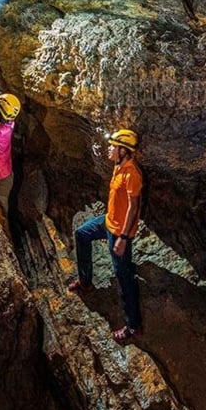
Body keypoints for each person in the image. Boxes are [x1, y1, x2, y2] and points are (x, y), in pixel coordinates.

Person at [66, 128, 144, 342]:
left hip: (119, 231)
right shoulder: (118, 167)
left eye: (113, 146)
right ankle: (86, 282)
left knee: (124, 276)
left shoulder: (132, 174)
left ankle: (133, 325)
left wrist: (123, 238)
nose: (109, 148)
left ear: (123, 151)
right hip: (108, 222)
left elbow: (133, 208)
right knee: (81, 234)